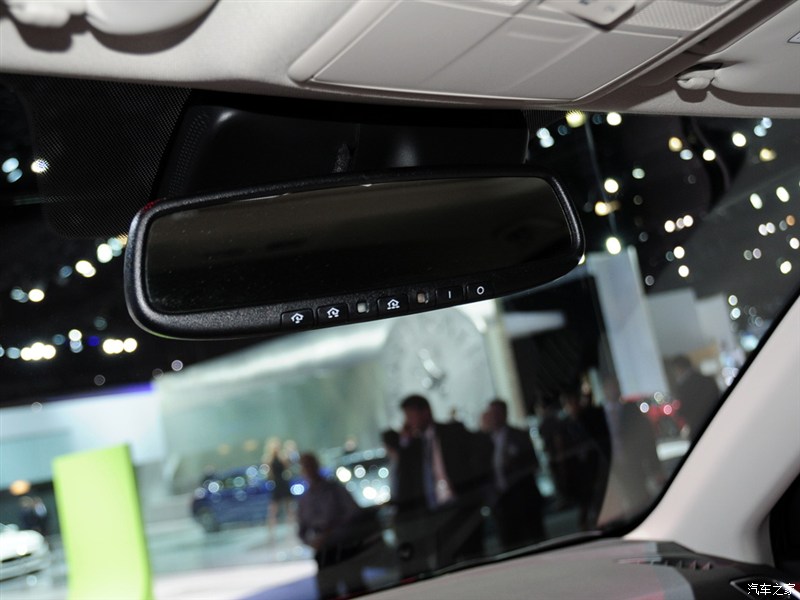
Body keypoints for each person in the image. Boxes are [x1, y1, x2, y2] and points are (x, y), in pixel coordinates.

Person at [392, 394, 491, 575]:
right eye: (407, 417)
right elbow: (405, 474)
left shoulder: (452, 431)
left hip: (461, 505)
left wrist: (474, 490)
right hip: (434, 513)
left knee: (474, 558)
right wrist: (405, 441)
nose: (409, 421)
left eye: (411, 415)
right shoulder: (415, 445)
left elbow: (479, 453)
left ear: (425, 412)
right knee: (445, 563)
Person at [297, 452, 366, 599]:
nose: (308, 470)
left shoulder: (335, 490)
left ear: (317, 466)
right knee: (328, 592)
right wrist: (313, 542)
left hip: (344, 546)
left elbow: (354, 512)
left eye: (310, 465)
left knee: (355, 588)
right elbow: (301, 530)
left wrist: (332, 529)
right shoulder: (305, 500)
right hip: (324, 552)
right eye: (305, 466)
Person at [483, 399, 545, 550]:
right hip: (501, 502)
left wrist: (514, 463)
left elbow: (533, 463)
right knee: (509, 544)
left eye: (497, 413)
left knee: (535, 539)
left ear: (504, 414)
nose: (494, 417)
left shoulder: (519, 435)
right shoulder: (484, 441)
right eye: (492, 413)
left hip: (523, 497)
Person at [669, 355, 719, 439]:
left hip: (697, 424)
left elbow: (684, 407)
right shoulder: (708, 380)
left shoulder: (683, 387)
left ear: (679, 368)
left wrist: (678, 414)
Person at [264, 437, 292, 540]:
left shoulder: (282, 456)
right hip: (276, 484)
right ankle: (271, 533)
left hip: (283, 483)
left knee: (289, 508)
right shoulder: (268, 459)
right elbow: (269, 474)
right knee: (273, 510)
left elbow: (287, 468)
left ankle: (291, 530)